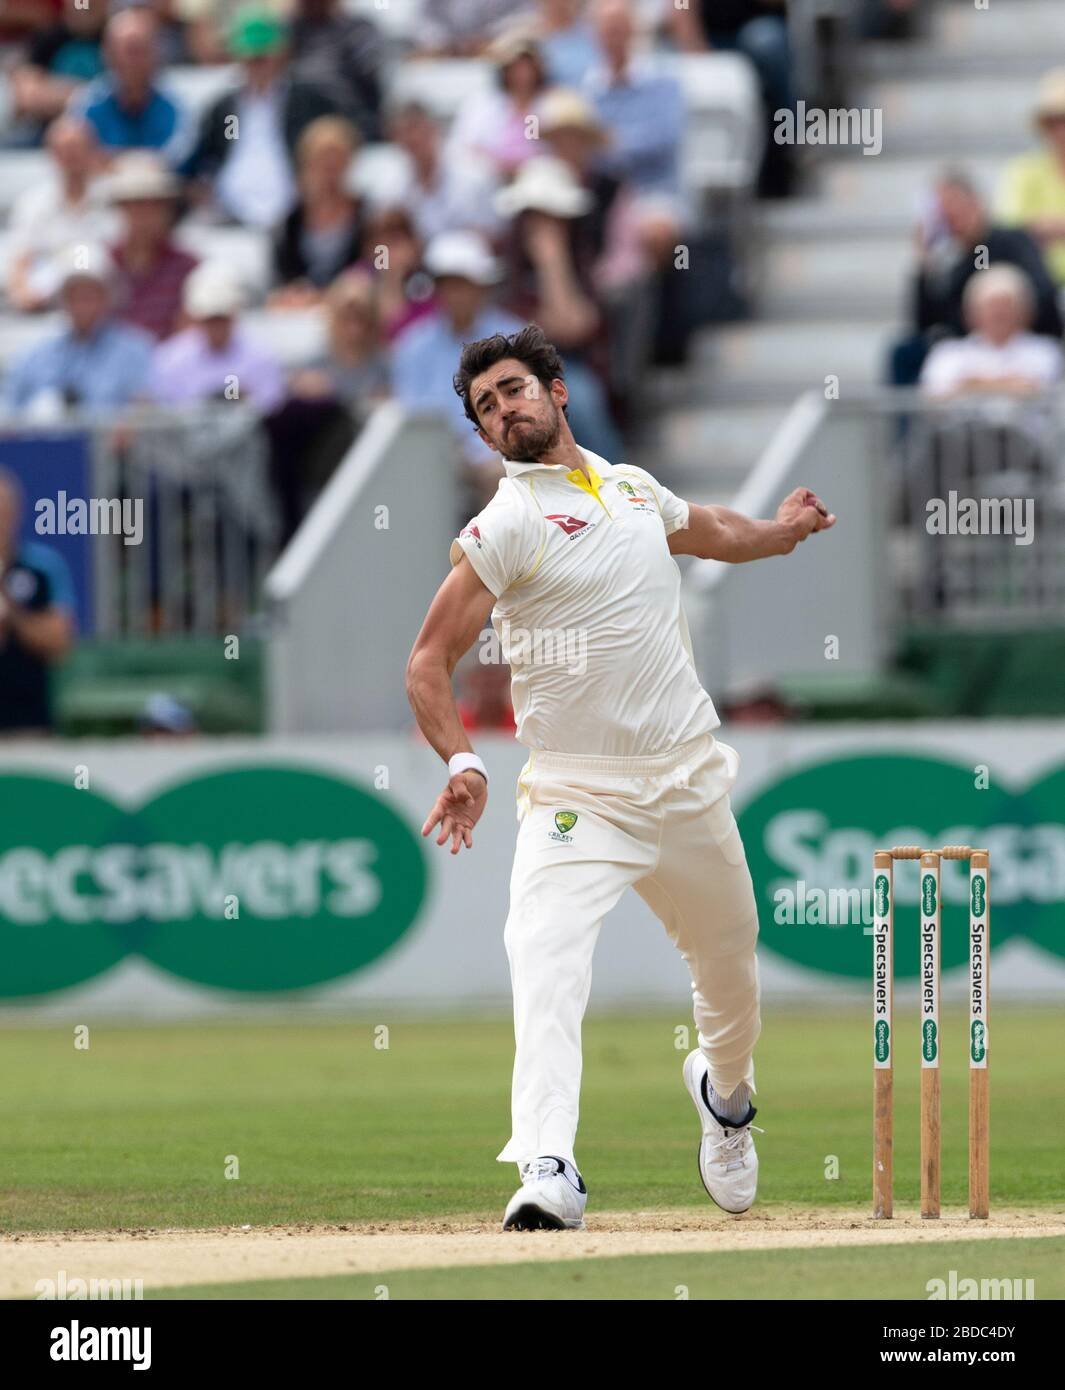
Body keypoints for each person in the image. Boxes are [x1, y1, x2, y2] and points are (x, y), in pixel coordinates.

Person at [405, 323, 835, 1229]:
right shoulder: (507, 522)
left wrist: (782, 532)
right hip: (575, 795)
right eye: (485, 407)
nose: (503, 409)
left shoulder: (632, 488)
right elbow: (426, 661)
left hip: (684, 781)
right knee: (546, 963)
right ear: (483, 437)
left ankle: (724, 1101)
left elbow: (712, 530)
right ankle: (547, 1166)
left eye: (514, 389)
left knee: (729, 973)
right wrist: (466, 759)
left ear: (557, 392)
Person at [891, 172, 1063, 386]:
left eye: (955, 207)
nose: (951, 217)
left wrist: (1004, 311)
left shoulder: (1012, 241)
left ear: (975, 203)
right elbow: (927, 322)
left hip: (1023, 344)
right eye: (944, 212)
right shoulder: (955, 263)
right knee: (906, 353)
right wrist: (924, 265)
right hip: (972, 349)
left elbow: (1044, 296)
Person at [390, 231, 523, 493]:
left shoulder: (514, 340)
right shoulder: (412, 345)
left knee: (499, 477)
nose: (455, 293)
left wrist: (483, 454)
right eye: (447, 284)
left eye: (463, 284)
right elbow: (411, 416)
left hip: (497, 456)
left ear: (482, 287)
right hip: (431, 459)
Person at [187, 6, 341, 229]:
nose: (257, 65)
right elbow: (201, 160)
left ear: (281, 54)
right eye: (251, 57)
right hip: (228, 217)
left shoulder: (308, 102)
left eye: (263, 56)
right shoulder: (223, 108)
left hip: (294, 216)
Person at [3, 244, 154, 417]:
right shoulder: (34, 356)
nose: (82, 306)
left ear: (108, 297)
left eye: (90, 295)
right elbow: (9, 414)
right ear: (62, 300)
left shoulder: (136, 352)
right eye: (74, 296)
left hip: (110, 444)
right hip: (45, 444)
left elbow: (147, 415)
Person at [668, 0, 796, 197]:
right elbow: (681, 6)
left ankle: (785, 147)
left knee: (766, 42)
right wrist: (694, 46)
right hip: (709, 39)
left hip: (754, 33)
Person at [5, 116, 120, 313]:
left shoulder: (115, 199)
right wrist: (23, 292)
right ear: (52, 154)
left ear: (92, 151)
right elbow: (19, 256)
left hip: (104, 299)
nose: (71, 156)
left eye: (77, 148)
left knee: (83, 254)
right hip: (46, 297)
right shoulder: (33, 203)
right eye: (63, 149)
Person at [147, 261, 286, 411]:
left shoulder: (261, 357)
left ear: (235, 314)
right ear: (196, 317)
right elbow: (163, 411)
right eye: (210, 319)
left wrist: (244, 402)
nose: (216, 327)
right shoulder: (169, 359)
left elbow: (271, 410)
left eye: (222, 318)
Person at [0, 470, 76, 737]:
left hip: (28, 725)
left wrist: (12, 614)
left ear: (16, 512)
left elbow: (59, 643)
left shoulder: (42, 568)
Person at [69, 7, 195, 167]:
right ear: (107, 54)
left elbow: (179, 157)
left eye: (138, 50)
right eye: (123, 51)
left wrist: (115, 162)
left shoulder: (178, 103)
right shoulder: (88, 102)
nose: (130, 61)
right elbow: (80, 155)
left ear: (156, 53)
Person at [919, 264, 1063, 400]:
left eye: (1006, 306)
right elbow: (934, 395)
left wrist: (970, 385)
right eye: (990, 307)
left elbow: (1042, 389)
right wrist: (1011, 385)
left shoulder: (1046, 351)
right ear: (970, 313)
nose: (998, 314)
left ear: (1025, 311)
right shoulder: (947, 353)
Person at [272, 117, 365, 304]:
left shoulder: (367, 216)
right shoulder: (290, 222)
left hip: (354, 304)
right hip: (302, 306)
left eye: (336, 159)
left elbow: (380, 265)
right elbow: (284, 274)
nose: (330, 167)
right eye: (322, 160)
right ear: (307, 164)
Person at [107, 152, 198, 340]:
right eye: (138, 205)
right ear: (122, 209)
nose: (146, 215)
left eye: (155, 205)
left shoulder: (188, 267)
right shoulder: (104, 264)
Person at [386, 101, 502, 244]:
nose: (412, 138)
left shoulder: (475, 175)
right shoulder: (394, 189)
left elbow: (495, 235)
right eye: (403, 134)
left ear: (433, 129)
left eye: (416, 130)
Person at [445, 29, 550, 182]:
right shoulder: (482, 105)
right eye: (515, 67)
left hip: (533, 182)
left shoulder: (546, 105)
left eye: (527, 66)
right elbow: (463, 148)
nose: (521, 74)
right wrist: (494, 163)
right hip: (487, 180)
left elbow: (536, 147)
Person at [997, 68, 1065, 289]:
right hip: (1036, 287)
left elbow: (1025, 230)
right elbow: (1012, 232)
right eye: (1056, 122)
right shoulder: (1024, 171)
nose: (1062, 130)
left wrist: (1046, 228)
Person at [6, 0, 107, 146]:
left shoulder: (117, 36)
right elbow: (28, 96)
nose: (85, 3)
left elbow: (129, 90)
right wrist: (92, 93)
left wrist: (55, 90)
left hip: (105, 138)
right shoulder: (48, 37)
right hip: (46, 137)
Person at [288, 0, 384, 141]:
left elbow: (371, 83)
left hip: (349, 122)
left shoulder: (357, 29)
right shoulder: (289, 33)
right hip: (299, 129)